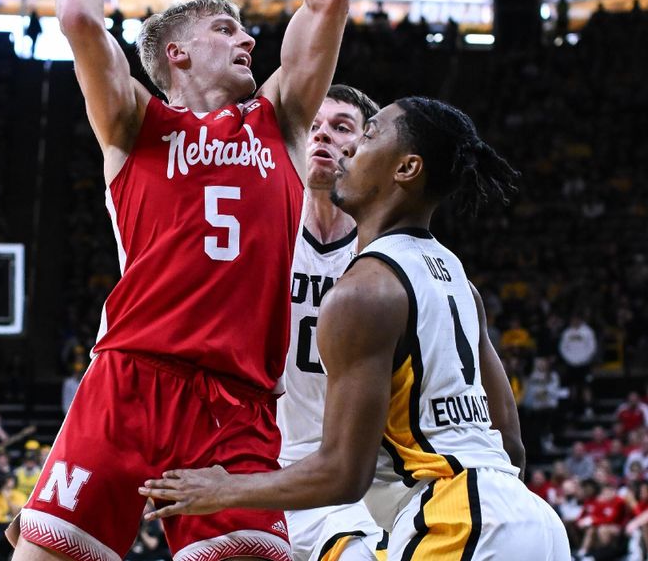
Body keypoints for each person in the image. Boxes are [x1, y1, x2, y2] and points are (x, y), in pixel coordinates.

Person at [8, 0, 351, 558]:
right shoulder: (133, 121)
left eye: (244, 30)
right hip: (128, 382)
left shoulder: (282, 120)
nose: (248, 39)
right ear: (177, 53)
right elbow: (79, 18)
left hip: (236, 402)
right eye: (225, 29)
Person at [139, 97, 571, 560]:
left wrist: (223, 489)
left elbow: (345, 474)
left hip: (458, 522)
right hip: (530, 519)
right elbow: (510, 445)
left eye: (365, 136)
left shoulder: (362, 292)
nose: (347, 151)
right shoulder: (456, 278)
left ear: (405, 168)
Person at [279, 84, 387, 561]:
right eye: (313, 126)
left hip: (346, 476)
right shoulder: (258, 232)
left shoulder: (387, 257)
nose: (321, 136)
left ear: (366, 148)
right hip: (255, 461)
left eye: (341, 127)